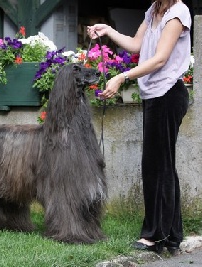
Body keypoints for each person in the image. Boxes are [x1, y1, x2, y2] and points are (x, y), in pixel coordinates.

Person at [87, 0, 192, 255]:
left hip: (167, 93)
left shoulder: (178, 13)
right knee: (160, 164)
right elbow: (137, 45)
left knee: (158, 165)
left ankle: (155, 235)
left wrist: (122, 77)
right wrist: (108, 31)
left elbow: (159, 59)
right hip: (153, 94)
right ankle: (171, 235)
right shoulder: (154, 9)